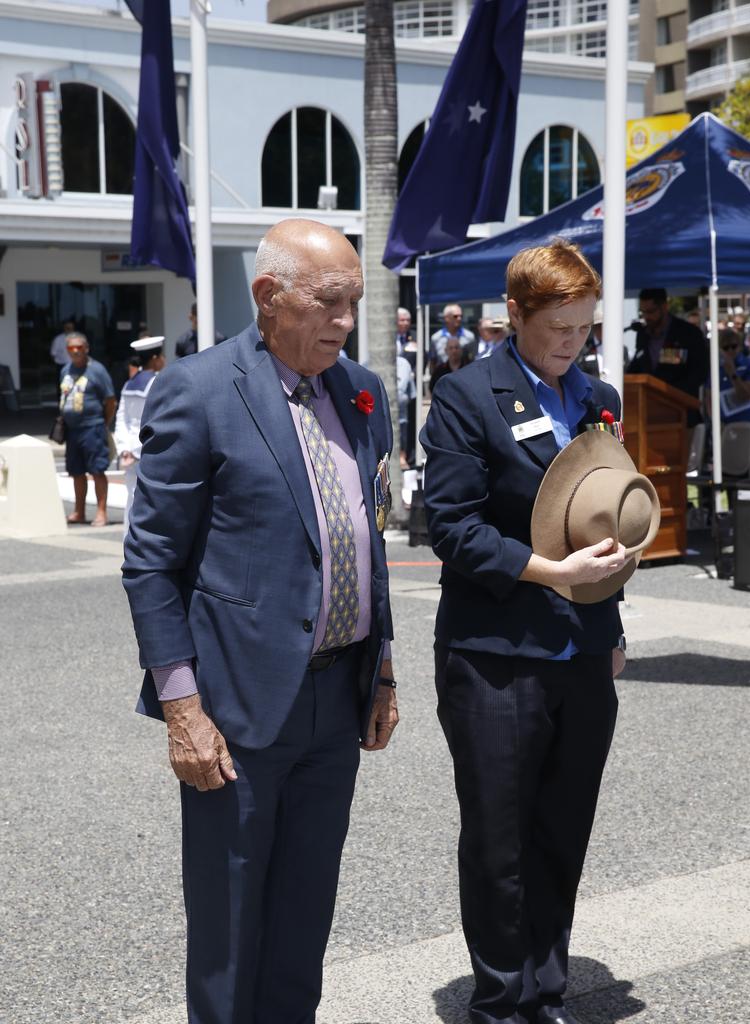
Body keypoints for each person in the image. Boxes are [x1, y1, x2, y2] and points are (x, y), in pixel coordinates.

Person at [122, 219, 399, 1024]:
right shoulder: (199, 391)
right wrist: (181, 708)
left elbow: (369, 536)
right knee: (230, 924)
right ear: (268, 297)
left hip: (336, 700)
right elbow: (150, 563)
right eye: (330, 301)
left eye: (354, 301)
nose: (345, 320)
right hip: (235, 708)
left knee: (304, 919)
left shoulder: (364, 391)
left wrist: (382, 668)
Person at [420, 240, 659, 1024]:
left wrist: (611, 621)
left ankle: (546, 990)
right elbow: (451, 529)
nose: (573, 344)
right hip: (496, 653)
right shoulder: (465, 395)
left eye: (585, 328)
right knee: (498, 839)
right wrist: (551, 574)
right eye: (558, 328)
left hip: (583, 648)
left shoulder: (594, 396)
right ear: (514, 314)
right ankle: (500, 999)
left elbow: (602, 521)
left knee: (562, 829)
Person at [59, 332, 116, 527]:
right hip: (72, 430)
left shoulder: (97, 370)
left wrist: (103, 422)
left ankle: (101, 512)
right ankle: (79, 511)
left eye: (79, 348)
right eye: (70, 348)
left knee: (97, 470)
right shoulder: (65, 370)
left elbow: (110, 400)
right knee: (76, 471)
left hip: (93, 427)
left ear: (86, 349)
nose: (75, 352)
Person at [627, 287, 706, 425]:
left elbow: (700, 372)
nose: (646, 317)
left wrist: (668, 395)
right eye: (643, 312)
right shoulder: (643, 335)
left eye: (651, 312)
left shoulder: (688, 333)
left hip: (682, 414)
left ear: (664, 306)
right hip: (650, 415)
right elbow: (637, 367)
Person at [114, 336, 166, 536]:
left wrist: (124, 449)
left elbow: (122, 420)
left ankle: (130, 539)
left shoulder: (130, 383)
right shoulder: (157, 382)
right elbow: (154, 419)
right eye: (161, 356)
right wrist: (135, 450)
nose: (163, 359)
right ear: (154, 358)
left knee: (131, 496)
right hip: (148, 449)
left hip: (131, 450)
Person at [705, 326, 750, 425]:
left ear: (740, 346)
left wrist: (732, 373)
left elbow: (746, 394)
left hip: (748, 422)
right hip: (724, 424)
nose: (730, 350)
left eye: (733, 346)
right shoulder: (716, 368)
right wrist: (715, 422)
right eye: (725, 348)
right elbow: (709, 398)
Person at [430, 302, 476, 369]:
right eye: (455, 316)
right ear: (446, 318)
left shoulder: (469, 337)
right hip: (442, 375)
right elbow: (432, 361)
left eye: (461, 316)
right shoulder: (436, 338)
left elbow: (472, 359)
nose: (459, 319)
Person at [397, 352, 416, 469]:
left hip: (401, 413)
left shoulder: (404, 364)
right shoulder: (367, 363)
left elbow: (411, 392)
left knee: (403, 435)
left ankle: (402, 457)